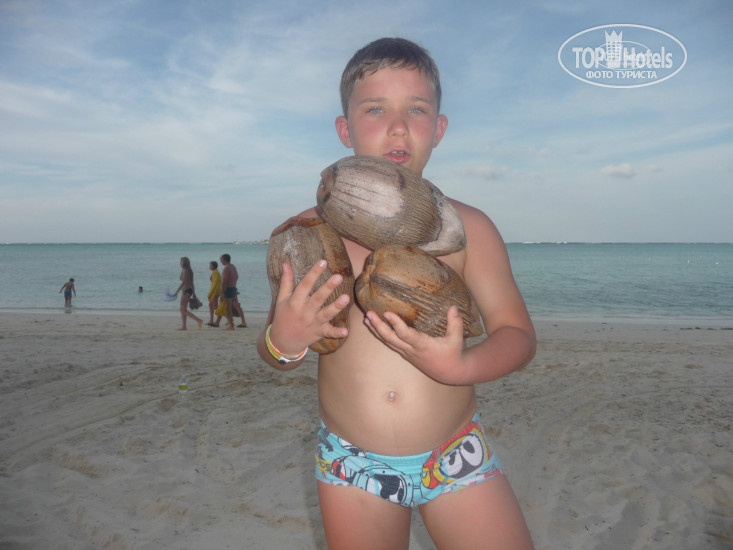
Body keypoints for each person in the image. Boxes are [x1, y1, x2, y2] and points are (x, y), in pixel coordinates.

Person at [257, 38, 536, 549]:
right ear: (345, 130)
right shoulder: (309, 232)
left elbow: (517, 335)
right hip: (352, 462)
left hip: (453, 453)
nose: (399, 126)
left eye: (416, 109)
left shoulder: (469, 229)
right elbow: (273, 351)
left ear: (440, 128)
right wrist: (286, 340)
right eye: (375, 109)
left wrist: (462, 367)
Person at [172, 257, 203, 330]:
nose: (180, 263)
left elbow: (184, 282)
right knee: (183, 309)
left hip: (186, 291)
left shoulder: (186, 271)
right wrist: (194, 292)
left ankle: (199, 320)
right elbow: (192, 282)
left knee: (183, 310)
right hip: (189, 290)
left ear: (184, 263)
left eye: (181, 262)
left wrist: (177, 292)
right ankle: (184, 326)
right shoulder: (189, 270)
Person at [220, 254, 247, 330]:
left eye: (221, 260)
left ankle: (231, 325)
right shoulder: (233, 266)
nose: (221, 261)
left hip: (228, 289)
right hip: (233, 288)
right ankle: (243, 322)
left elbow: (224, 282)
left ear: (224, 260)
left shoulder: (226, 268)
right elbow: (236, 277)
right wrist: (234, 286)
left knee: (228, 308)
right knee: (236, 305)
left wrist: (222, 293)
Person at [206, 261, 222, 326]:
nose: (209, 266)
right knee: (210, 305)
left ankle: (228, 318)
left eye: (210, 265)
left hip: (215, 291)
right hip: (216, 291)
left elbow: (215, 284)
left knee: (215, 307)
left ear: (213, 266)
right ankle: (211, 320)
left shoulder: (215, 272)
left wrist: (210, 293)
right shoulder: (215, 272)